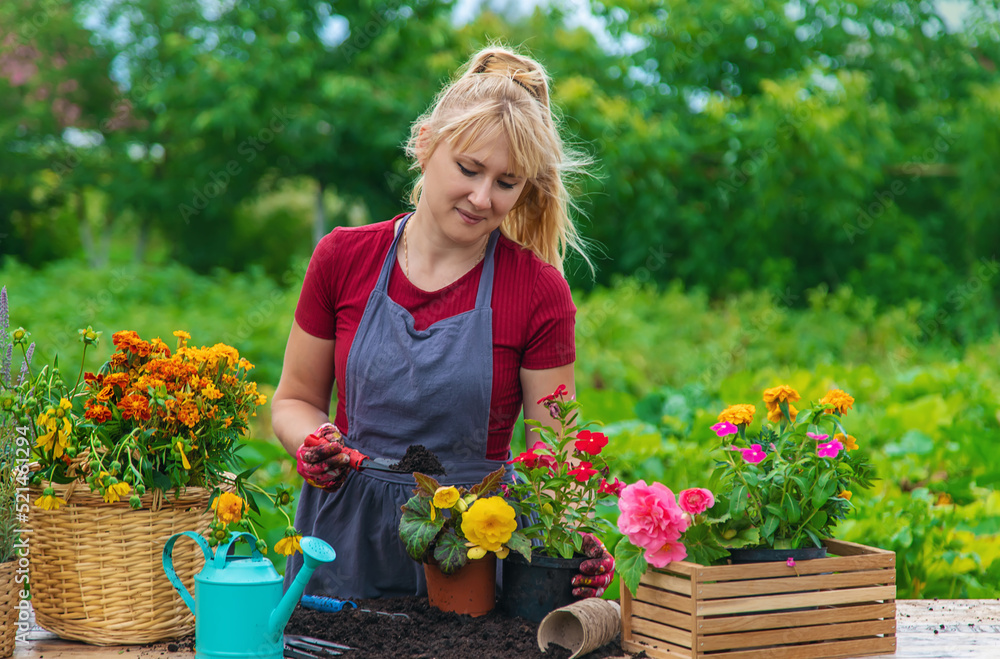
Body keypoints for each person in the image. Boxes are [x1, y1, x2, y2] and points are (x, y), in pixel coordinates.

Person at [272, 45, 613, 600]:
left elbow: (556, 453)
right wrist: (313, 442)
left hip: (472, 553)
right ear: (427, 144)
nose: (482, 197)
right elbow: (293, 400)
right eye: (469, 169)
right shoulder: (342, 257)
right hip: (342, 542)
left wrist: (573, 540)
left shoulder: (537, 290)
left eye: (506, 182)